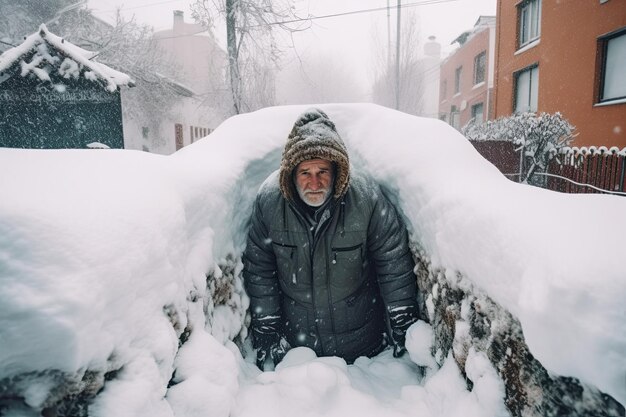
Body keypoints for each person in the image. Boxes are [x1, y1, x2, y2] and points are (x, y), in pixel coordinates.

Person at [242, 108, 419, 370]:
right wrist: (267, 321)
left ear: (337, 171)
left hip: (362, 355)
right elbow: (260, 267)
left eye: (322, 171)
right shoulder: (270, 203)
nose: (315, 183)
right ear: (291, 174)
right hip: (297, 356)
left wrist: (401, 315)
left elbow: (392, 260)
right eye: (305, 172)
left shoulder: (366, 198)